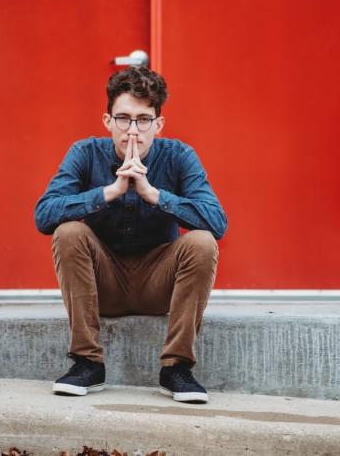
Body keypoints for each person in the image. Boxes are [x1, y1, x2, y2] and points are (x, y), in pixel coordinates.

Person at [34, 66, 227, 403]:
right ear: (107, 121)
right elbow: (44, 214)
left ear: (158, 124)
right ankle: (87, 363)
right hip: (102, 285)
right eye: (123, 119)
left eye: (143, 120)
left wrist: (154, 194)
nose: (132, 131)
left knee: (202, 241)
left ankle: (176, 368)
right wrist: (110, 191)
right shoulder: (85, 152)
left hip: (158, 286)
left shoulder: (180, 156)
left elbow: (217, 221)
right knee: (68, 231)